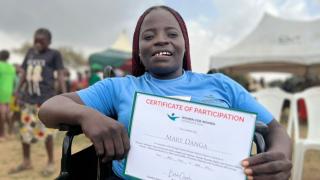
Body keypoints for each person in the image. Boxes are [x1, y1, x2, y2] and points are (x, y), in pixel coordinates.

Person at [39, 6, 292, 180]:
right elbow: (49, 108)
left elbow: (274, 129)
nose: (161, 40)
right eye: (149, 36)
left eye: (172, 34)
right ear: (138, 51)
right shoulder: (120, 87)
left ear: (185, 45)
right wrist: (87, 116)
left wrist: (279, 156)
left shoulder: (220, 85)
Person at [10, 28, 66, 176]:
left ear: (49, 42)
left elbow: (60, 74)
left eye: (41, 41)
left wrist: (65, 94)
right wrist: (17, 90)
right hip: (28, 100)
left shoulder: (54, 54)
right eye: (36, 40)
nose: (37, 44)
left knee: (46, 133)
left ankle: (50, 162)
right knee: (25, 133)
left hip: (45, 101)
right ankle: (26, 161)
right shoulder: (30, 52)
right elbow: (23, 73)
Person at [0, 50, 16, 140]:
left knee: (1, 114)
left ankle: (2, 135)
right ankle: (10, 131)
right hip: (8, 92)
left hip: (0, 91)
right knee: (6, 113)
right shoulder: (11, 68)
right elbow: (14, 81)